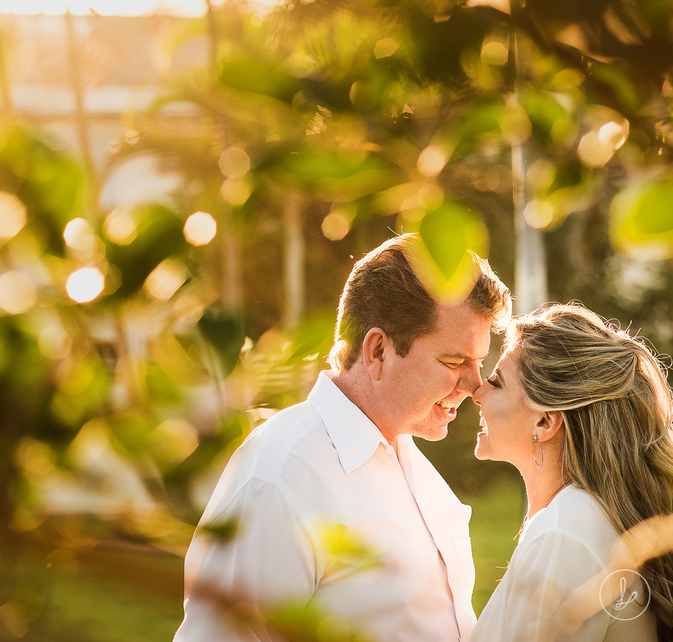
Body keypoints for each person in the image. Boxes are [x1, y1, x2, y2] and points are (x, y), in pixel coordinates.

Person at [173, 234, 512, 642]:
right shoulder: (279, 477)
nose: (475, 385)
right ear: (378, 351)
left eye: (479, 362)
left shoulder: (410, 459)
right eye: (454, 361)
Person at [470, 304, 673, 640]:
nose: (477, 394)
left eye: (496, 382)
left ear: (544, 421)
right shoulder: (578, 519)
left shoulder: (564, 534)